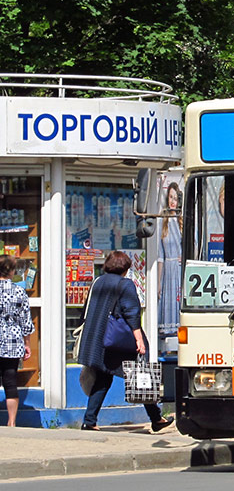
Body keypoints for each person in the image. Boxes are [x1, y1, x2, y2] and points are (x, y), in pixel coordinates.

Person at [77, 250, 172, 432]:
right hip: (117, 341)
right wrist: (139, 340)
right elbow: (132, 313)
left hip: (99, 340)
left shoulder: (97, 282)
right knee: (140, 374)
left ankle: (89, 421)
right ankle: (155, 418)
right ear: (125, 269)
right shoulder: (125, 285)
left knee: (104, 378)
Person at [0, 255, 34, 427]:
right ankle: (11, 422)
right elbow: (25, 321)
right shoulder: (19, 291)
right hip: (12, 342)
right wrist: (27, 344)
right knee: (10, 381)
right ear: (12, 271)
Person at [157, 181, 182, 337]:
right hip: (167, 269)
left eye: (175, 198)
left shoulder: (183, 221)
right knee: (167, 303)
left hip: (179, 269)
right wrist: (159, 281)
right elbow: (160, 255)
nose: (173, 201)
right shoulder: (162, 221)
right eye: (170, 197)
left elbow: (193, 246)